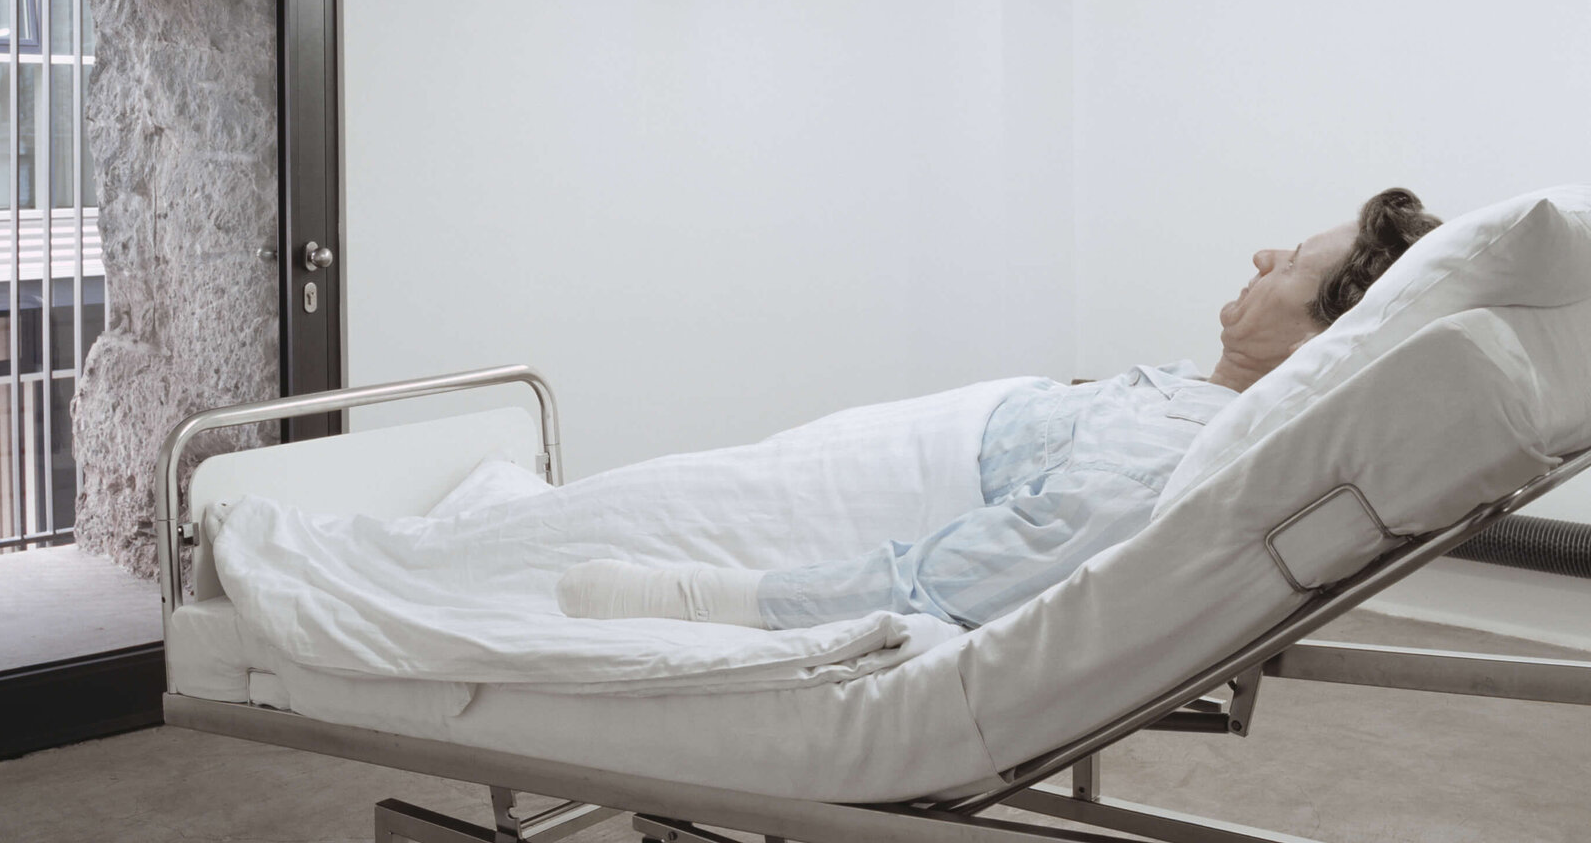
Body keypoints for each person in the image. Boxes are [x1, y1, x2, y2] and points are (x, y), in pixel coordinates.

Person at [558, 187, 1442, 633]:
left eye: (1288, 264)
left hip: (887, 482)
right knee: (618, 501)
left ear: (1318, 339)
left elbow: (950, 581)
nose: (1260, 253)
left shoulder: (1166, 469)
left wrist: (708, 598)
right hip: (909, 434)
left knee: (574, 537)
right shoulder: (1206, 400)